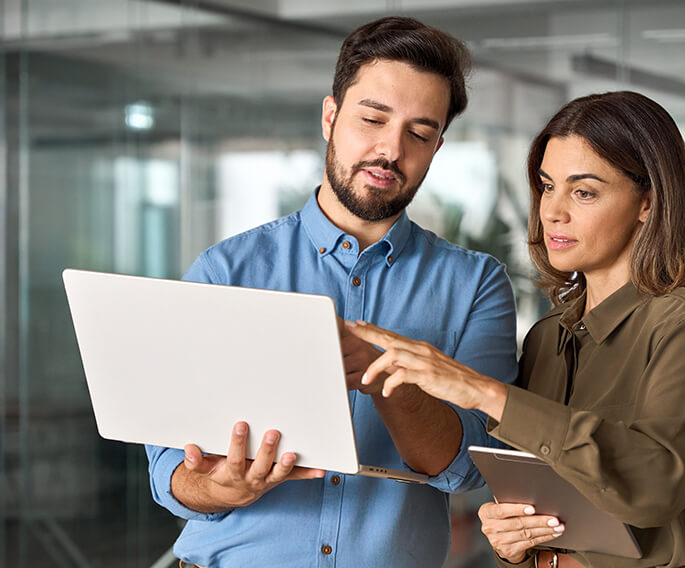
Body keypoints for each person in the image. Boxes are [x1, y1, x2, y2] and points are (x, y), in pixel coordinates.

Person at [145, 16, 519, 568]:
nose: (390, 150)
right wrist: (219, 488)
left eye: (419, 134)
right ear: (330, 116)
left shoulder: (475, 284)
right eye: (372, 119)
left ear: (437, 147)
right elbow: (167, 472)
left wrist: (383, 371)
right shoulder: (225, 271)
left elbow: (466, 468)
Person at [347, 90, 685, 568]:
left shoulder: (683, 324)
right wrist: (514, 542)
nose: (553, 211)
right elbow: (546, 502)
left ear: (647, 202)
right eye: (547, 186)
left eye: (583, 192)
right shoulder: (547, 338)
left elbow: (654, 487)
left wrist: (483, 392)